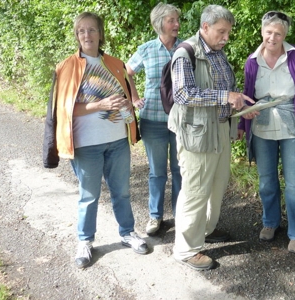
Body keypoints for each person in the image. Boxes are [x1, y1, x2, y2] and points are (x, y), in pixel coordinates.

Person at [43, 12, 148, 269]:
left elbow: (126, 98)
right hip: (86, 144)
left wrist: (125, 105)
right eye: (82, 31)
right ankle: (85, 241)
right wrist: (99, 104)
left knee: (121, 192)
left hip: (116, 141)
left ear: (101, 34)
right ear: (77, 36)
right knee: (89, 196)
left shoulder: (115, 63)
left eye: (92, 30)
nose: (87, 35)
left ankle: (127, 233)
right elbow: (64, 110)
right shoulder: (67, 67)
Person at [167, 4, 254, 271]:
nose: (226, 37)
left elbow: (226, 90)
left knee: (216, 186)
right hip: (196, 134)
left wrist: (240, 108)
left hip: (220, 130)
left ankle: (203, 231)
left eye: (228, 32)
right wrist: (225, 97)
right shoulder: (185, 53)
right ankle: (186, 249)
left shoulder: (218, 52)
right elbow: (183, 94)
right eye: (221, 32)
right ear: (205, 27)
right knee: (195, 191)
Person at [237, 11, 295, 254]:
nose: (272, 37)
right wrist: (243, 125)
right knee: (266, 181)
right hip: (262, 123)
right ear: (262, 32)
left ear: (285, 35)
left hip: (293, 124)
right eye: (268, 32)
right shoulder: (252, 61)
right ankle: (270, 222)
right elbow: (247, 94)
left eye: (278, 33)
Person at [126, 3, 182, 236]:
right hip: (153, 120)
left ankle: (181, 216)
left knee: (181, 170)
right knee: (157, 172)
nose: (176, 24)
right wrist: (134, 97)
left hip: (181, 121)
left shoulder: (186, 48)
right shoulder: (147, 49)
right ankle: (155, 217)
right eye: (171, 20)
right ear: (160, 24)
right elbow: (126, 71)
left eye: (177, 20)